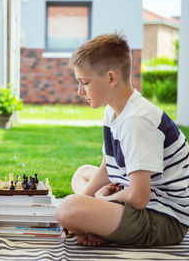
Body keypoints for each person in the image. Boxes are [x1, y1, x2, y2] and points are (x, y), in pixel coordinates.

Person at [55, 32, 189, 247]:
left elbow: (139, 197)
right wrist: (90, 199)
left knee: (67, 209)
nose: (79, 91)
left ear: (111, 78)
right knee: (82, 174)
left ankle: (92, 223)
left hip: (163, 219)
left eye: (85, 82)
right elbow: (107, 168)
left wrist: (98, 201)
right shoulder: (113, 110)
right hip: (141, 201)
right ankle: (95, 222)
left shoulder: (137, 120)